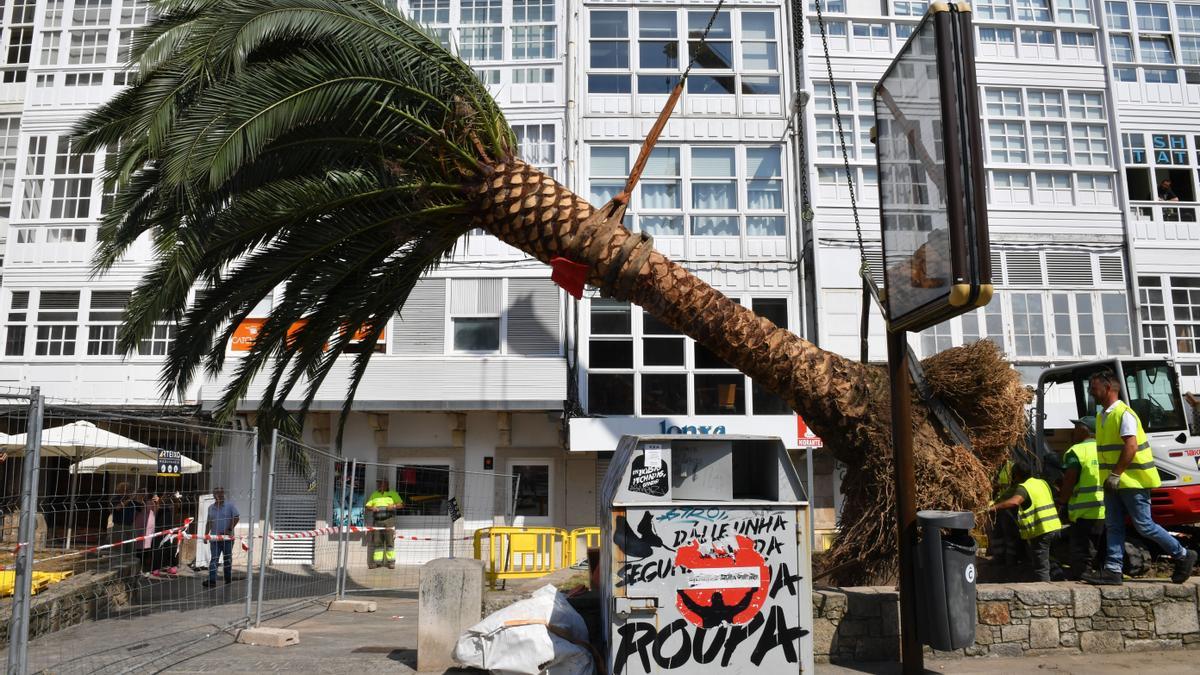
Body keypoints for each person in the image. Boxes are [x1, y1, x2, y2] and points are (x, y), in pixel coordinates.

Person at [1082, 371, 1197, 586]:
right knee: (1114, 526)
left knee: (1144, 525)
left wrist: (1116, 474)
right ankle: (1113, 570)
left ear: (1108, 388)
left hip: (1131, 481)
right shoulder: (1102, 416)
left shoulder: (1124, 414)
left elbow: (1131, 446)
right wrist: (1111, 477)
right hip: (1113, 481)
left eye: (1094, 387)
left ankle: (1183, 554)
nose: (1091, 391)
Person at [989, 465, 1063, 582]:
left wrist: (993, 508)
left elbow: (1014, 502)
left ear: (1017, 475)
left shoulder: (1023, 487)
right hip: (1054, 527)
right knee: (1049, 558)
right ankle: (1059, 578)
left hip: (1041, 530)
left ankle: (1045, 591)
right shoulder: (1042, 483)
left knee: (1041, 566)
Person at [1055, 417, 1106, 580]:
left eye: (1076, 428)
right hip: (1105, 509)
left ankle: (1082, 576)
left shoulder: (1076, 451)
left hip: (1084, 511)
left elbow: (1069, 480)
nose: (1073, 431)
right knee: (1102, 547)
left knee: (1082, 549)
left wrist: (1061, 502)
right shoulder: (1104, 448)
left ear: (1085, 430)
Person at [203, 487, 240, 587]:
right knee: (214, 559)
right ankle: (212, 581)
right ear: (214, 495)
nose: (221, 495)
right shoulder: (211, 508)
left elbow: (236, 517)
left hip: (227, 538)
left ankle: (228, 579)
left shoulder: (230, 506)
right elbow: (209, 522)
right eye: (218, 493)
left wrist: (229, 529)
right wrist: (206, 535)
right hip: (215, 538)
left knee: (227, 558)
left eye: (222, 493)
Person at [365, 478, 403, 569]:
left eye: (381, 484)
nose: (379, 486)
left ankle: (391, 562)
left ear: (386, 484)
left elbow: (401, 504)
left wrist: (393, 506)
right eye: (378, 484)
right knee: (377, 541)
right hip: (377, 521)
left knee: (390, 541)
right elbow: (367, 506)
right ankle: (378, 562)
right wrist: (372, 508)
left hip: (389, 520)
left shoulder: (393, 494)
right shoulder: (375, 494)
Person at [133, 494, 163, 577]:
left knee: (146, 549)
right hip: (140, 529)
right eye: (142, 492)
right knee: (139, 549)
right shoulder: (139, 503)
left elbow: (156, 512)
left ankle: (142, 569)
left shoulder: (152, 503)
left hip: (149, 530)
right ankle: (138, 570)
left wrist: (157, 502)